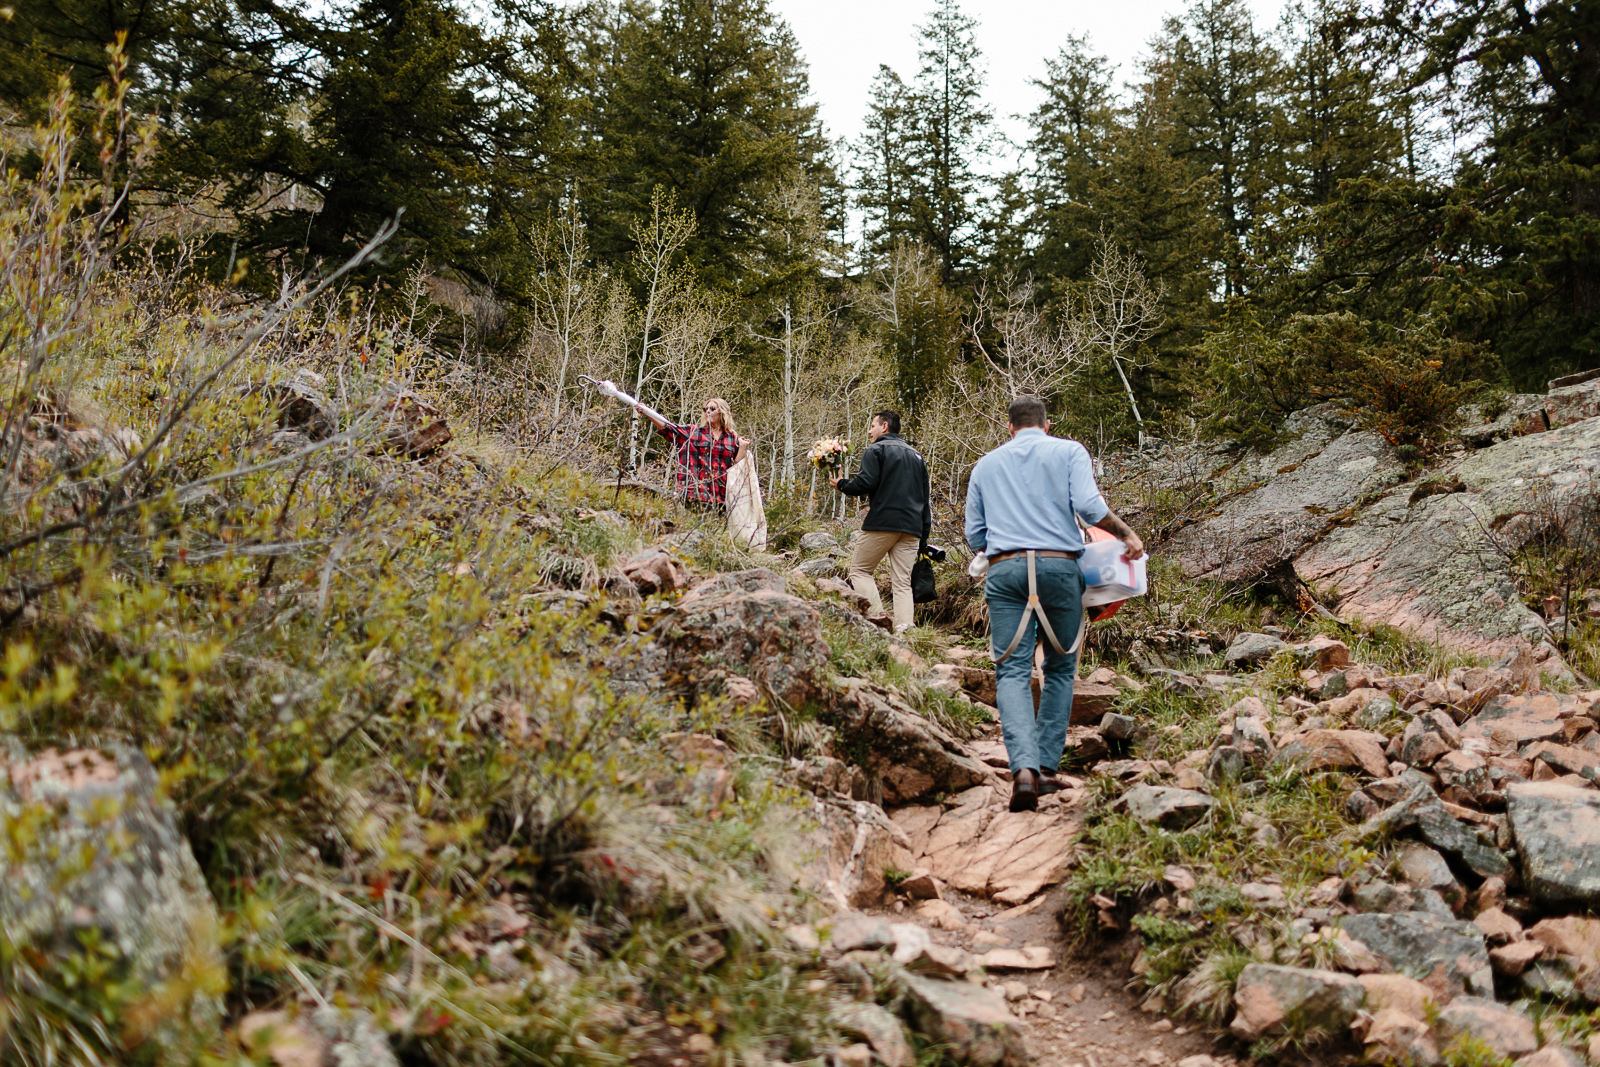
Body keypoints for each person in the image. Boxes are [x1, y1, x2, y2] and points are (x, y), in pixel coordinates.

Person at [965, 396, 1145, 812]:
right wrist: (1126, 534)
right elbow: (1087, 506)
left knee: (1011, 670)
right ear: (1047, 424)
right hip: (1059, 568)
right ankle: (1046, 768)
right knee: (1061, 666)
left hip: (1006, 570)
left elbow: (975, 535)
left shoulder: (985, 465)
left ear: (1009, 428)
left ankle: (1022, 771)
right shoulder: (1069, 451)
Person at [829, 410, 932, 634]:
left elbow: (866, 483)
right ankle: (906, 631)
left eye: (872, 426)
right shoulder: (917, 456)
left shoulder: (876, 449)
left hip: (883, 522)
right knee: (903, 582)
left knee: (860, 570)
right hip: (912, 528)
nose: (869, 431)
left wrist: (842, 484)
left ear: (884, 427)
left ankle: (877, 621)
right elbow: (925, 499)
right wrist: (923, 535)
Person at [632, 397, 748, 511]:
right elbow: (668, 427)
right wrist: (647, 412)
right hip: (693, 496)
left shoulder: (732, 438)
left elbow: (738, 469)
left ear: (722, 412)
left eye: (712, 408)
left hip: (721, 500)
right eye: (705, 409)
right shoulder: (693, 432)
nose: (708, 411)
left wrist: (742, 447)